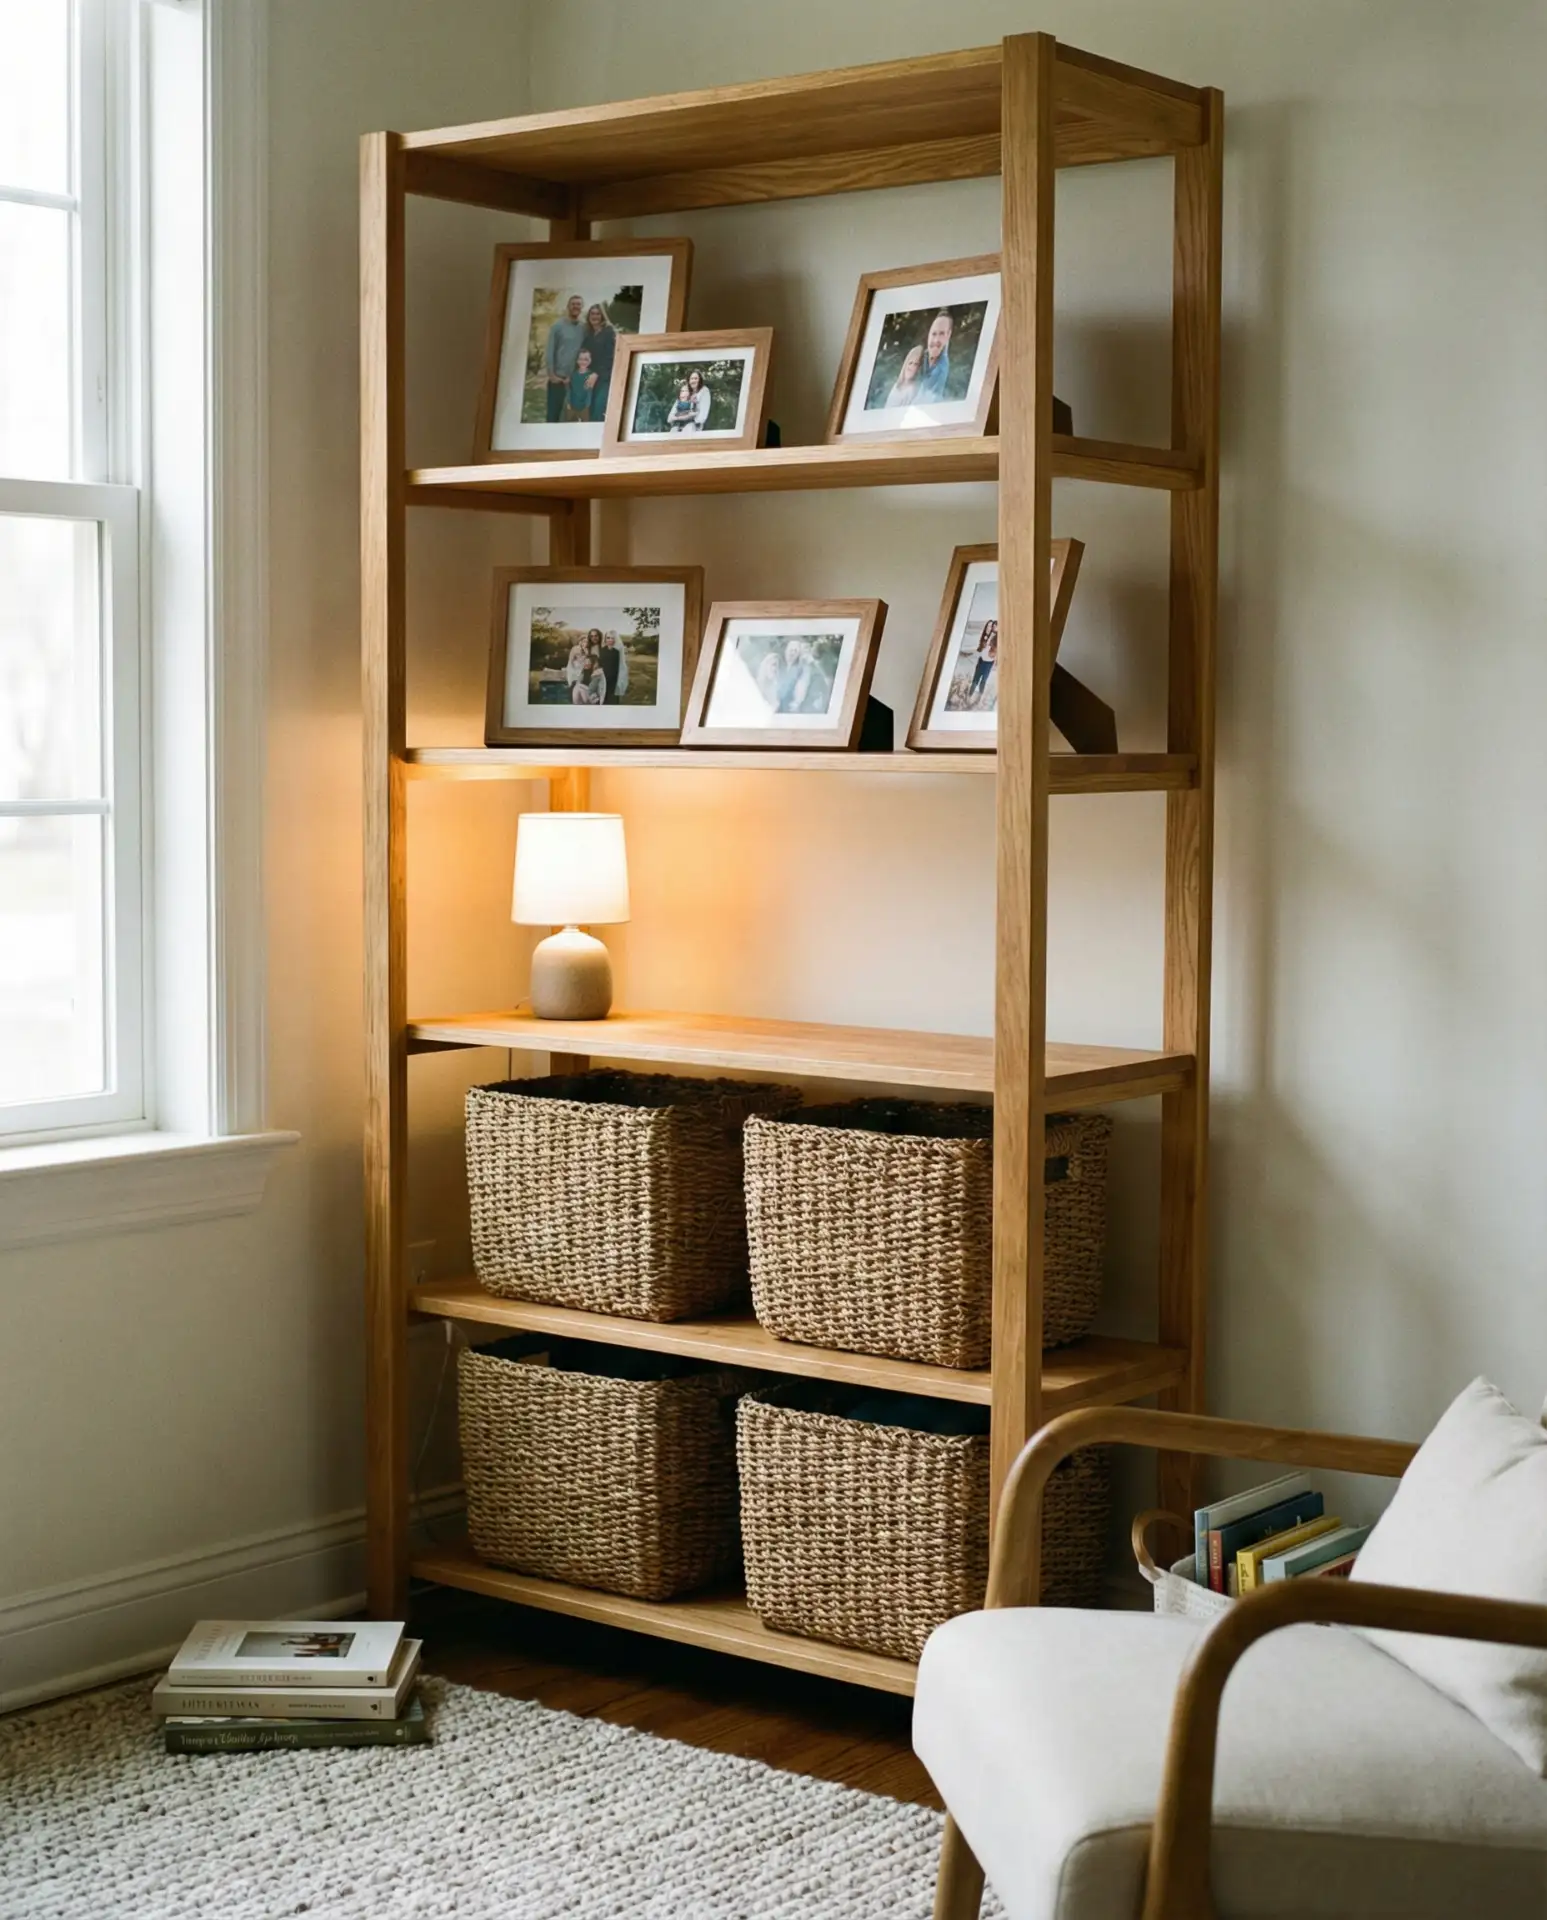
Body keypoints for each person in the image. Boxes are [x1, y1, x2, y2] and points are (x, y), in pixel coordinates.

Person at [543, 293, 588, 423]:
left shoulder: (583, 328)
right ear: (568, 306)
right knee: (553, 415)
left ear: (581, 307)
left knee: (571, 417)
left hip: (574, 380)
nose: (576, 306)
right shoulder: (557, 326)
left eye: (578, 304)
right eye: (573, 304)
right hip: (558, 379)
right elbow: (550, 351)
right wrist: (552, 375)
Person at [580, 303, 618, 419]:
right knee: (588, 412)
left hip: (604, 378)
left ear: (602, 316)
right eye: (592, 314)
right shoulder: (588, 335)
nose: (595, 316)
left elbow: (610, 357)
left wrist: (596, 374)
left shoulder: (608, 332)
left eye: (598, 314)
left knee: (598, 410)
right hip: (590, 378)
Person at [913, 311, 955, 402]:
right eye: (934, 334)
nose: (936, 340)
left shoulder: (942, 368)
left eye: (942, 334)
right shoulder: (920, 357)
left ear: (948, 335)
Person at [969, 618, 998, 702]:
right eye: (989, 626)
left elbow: (996, 650)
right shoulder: (985, 636)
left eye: (992, 626)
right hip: (981, 660)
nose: (990, 628)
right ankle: (969, 696)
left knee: (983, 681)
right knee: (975, 680)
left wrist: (995, 658)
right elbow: (980, 649)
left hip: (988, 662)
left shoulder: (996, 636)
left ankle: (979, 699)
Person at [563, 347, 596, 421]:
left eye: (586, 359)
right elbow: (569, 390)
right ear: (577, 360)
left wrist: (587, 405)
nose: (583, 362)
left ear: (590, 360)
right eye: (580, 359)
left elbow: (590, 391)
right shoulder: (573, 375)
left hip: (585, 407)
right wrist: (568, 402)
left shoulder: (591, 376)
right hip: (572, 406)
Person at [599, 628, 629, 702]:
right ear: (605, 639)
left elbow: (621, 665)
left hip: (614, 679)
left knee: (612, 699)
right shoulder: (602, 650)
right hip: (603, 678)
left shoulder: (617, 652)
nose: (609, 640)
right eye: (608, 638)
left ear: (615, 639)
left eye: (612, 638)